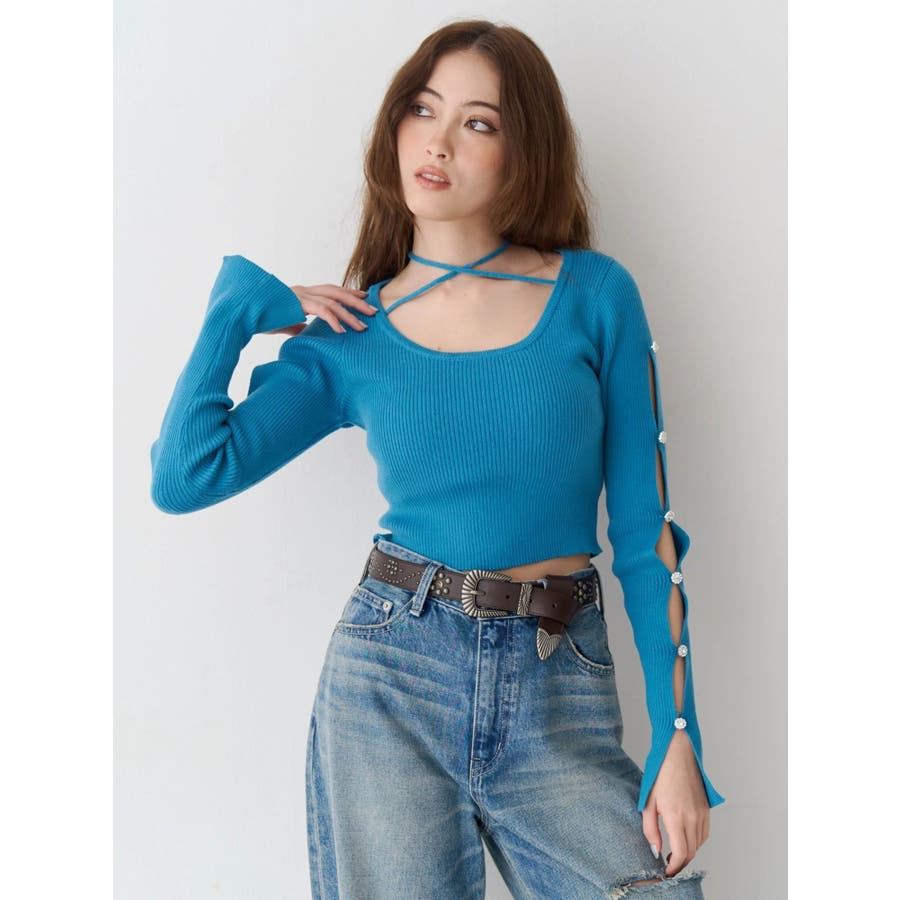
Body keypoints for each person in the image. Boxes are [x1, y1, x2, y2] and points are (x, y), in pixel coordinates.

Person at [150, 19, 725, 900]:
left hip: (560, 680)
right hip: (393, 677)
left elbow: (647, 540)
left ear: (522, 151)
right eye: (423, 109)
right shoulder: (353, 334)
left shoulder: (595, 296)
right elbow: (185, 477)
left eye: (477, 122)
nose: (439, 140)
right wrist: (238, 305)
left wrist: (678, 738)